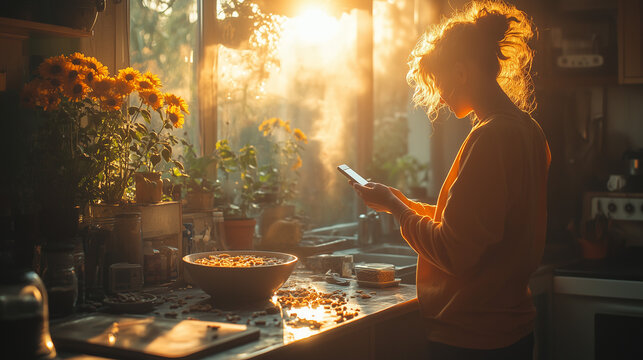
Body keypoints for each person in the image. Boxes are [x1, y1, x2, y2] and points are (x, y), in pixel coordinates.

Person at [350, 1, 551, 359]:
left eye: (439, 79)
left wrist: (397, 210)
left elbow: (454, 252)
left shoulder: (491, 138)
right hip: (511, 329)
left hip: (474, 338)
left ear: (461, 72)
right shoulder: (528, 130)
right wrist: (404, 204)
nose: (439, 94)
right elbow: (478, 224)